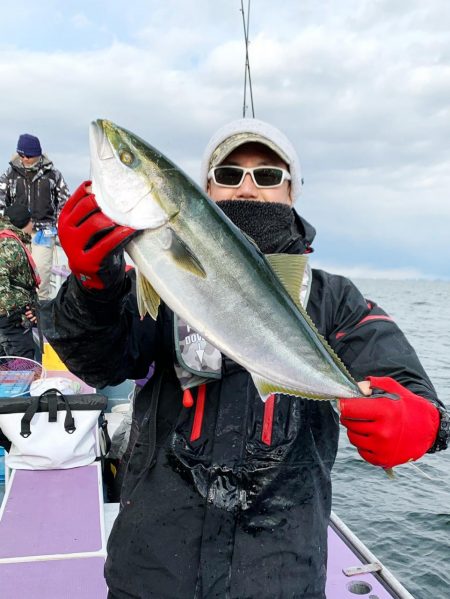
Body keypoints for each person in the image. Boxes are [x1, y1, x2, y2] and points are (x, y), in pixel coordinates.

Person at [41, 118, 449, 599]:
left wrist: (418, 419)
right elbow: (100, 362)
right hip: (151, 574)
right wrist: (93, 287)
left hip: (281, 578)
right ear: (205, 191)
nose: (248, 188)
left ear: (293, 191)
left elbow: (407, 385)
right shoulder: (155, 274)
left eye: (268, 175)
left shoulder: (332, 299)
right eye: (229, 175)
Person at [0, 133, 70, 301]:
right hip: (16, 233)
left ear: (38, 154)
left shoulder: (53, 175)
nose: (25, 159)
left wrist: (60, 226)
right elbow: (1, 202)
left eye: (29, 156)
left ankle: (41, 321)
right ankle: (20, 317)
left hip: (43, 234)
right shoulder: (10, 175)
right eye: (22, 155)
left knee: (41, 279)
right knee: (16, 276)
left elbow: (65, 203)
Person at [0, 204, 39, 359]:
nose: (33, 226)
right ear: (25, 222)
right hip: (11, 325)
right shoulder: (9, 244)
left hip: (10, 322)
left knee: (7, 371)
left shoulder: (8, 240)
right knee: (22, 368)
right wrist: (15, 314)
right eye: (31, 222)